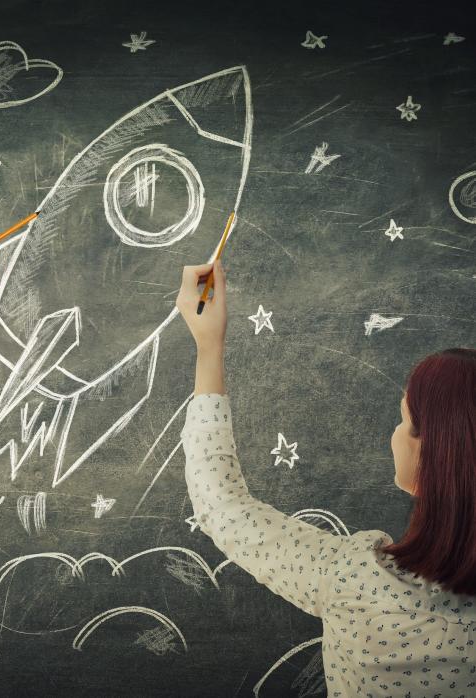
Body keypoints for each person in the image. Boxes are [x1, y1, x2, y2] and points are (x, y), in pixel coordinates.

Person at [176, 260, 475, 697]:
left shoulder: (356, 579)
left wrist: (208, 346)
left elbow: (222, 506)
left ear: (433, 451)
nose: (394, 434)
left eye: (403, 419)